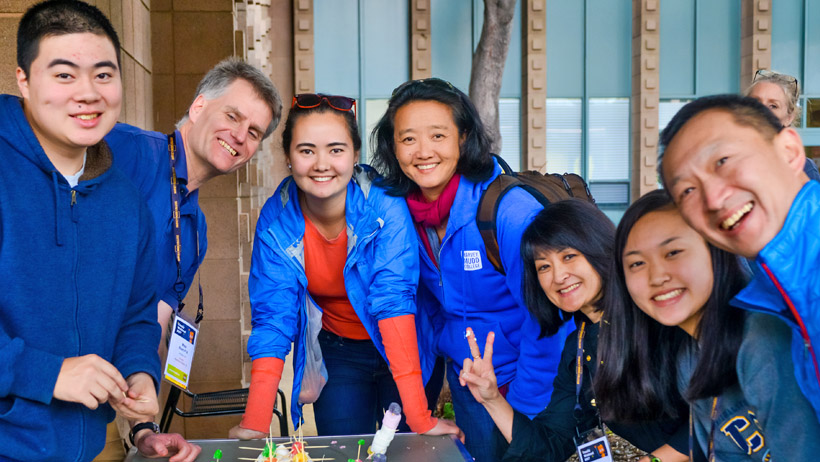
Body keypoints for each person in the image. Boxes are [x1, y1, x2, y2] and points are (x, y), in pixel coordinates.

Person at [0, 1, 189, 460]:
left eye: (104, 75)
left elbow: (136, 315)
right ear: (24, 80)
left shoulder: (126, 201)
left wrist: (139, 389)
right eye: (64, 75)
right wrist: (47, 373)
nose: (88, 93)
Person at [228, 94, 462, 440]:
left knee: (406, 449)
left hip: (403, 345)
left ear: (355, 156)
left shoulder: (384, 206)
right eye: (306, 151)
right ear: (289, 158)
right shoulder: (276, 220)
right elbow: (273, 318)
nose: (322, 164)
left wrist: (420, 418)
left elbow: (392, 302)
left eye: (336, 150)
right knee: (342, 449)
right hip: (337, 352)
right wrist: (256, 422)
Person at [370, 78, 572, 460]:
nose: (423, 151)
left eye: (438, 136)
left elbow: (550, 314)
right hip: (468, 376)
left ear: (463, 138)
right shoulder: (401, 214)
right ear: (392, 147)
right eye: (408, 138)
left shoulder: (507, 211)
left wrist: (524, 413)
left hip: (524, 378)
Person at [98, 58, 280, 459]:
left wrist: (142, 427)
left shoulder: (196, 235)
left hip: (86, 420)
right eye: (233, 116)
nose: (240, 136)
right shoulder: (124, 149)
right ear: (199, 107)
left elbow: (151, 327)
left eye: (254, 132)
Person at [460, 200, 697, 462]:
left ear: (599, 249)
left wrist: (655, 460)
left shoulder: (659, 312)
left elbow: (724, 401)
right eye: (544, 266)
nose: (558, 276)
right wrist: (492, 398)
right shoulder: (580, 345)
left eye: (568, 256)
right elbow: (550, 445)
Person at [595, 189, 820, 460]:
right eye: (637, 263)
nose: (656, 276)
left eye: (673, 252)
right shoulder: (688, 360)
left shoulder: (763, 338)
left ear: (717, 251)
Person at [657, 94, 820, 422]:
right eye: (687, 191)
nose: (714, 199)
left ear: (789, 151)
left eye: (722, 161)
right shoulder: (770, 293)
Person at [744, 69, 820, 181]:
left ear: (789, 117)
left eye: (773, 106)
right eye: (756, 102)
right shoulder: (726, 156)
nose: (762, 110)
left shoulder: (803, 169)